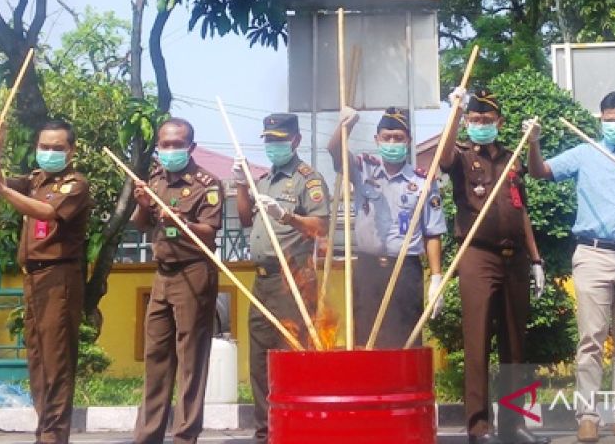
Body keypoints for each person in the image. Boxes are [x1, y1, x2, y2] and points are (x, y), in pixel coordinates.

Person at [525, 91, 615, 442]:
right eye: (607, 118)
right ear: (600, 119)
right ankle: (588, 417)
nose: (612, 124)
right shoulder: (585, 152)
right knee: (591, 339)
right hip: (593, 254)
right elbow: (540, 172)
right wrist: (533, 143)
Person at [439, 89, 550, 444]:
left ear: (499, 123)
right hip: (477, 254)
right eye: (475, 120)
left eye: (487, 121)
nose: (480, 126)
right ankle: (478, 426)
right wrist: (455, 112)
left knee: (515, 342)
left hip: (514, 256)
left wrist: (536, 259)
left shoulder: (511, 158)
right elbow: (441, 160)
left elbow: (522, 210)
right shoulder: (462, 156)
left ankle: (515, 426)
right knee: (477, 339)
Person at [0, 120, 92, 444]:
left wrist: (2, 190)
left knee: (56, 362)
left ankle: (54, 437)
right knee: (38, 360)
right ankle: (45, 433)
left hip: (59, 277)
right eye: (44, 147)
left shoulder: (74, 184)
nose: (49, 153)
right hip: (34, 277)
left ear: (71, 150)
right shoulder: (36, 179)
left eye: (57, 148)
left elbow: (45, 212)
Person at [232, 112, 329, 444]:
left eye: (279, 140)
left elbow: (321, 228)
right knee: (260, 362)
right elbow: (246, 220)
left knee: (293, 357)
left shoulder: (308, 179)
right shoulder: (263, 179)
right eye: (268, 140)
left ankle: (298, 428)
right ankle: (265, 431)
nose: (273, 146)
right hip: (262, 281)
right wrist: (241, 186)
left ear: (296, 141)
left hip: (294, 280)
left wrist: (285, 215)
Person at [131, 118, 224, 444]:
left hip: (193, 272)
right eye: (165, 144)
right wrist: (143, 205)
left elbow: (209, 233)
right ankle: (148, 435)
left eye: (177, 144)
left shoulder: (207, 184)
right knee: (155, 356)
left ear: (191, 147)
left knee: (190, 360)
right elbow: (141, 225)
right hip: (162, 273)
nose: (170, 150)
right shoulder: (154, 179)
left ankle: (185, 436)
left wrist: (182, 221)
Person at [327, 106, 446, 347]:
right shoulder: (363, 168)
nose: (392, 142)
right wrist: (345, 126)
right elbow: (335, 151)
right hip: (368, 268)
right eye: (387, 137)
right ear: (377, 139)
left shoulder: (422, 181)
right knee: (365, 340)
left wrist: (436, 278)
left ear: (409, 141)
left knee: (405, 342)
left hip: (405, 270)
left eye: (398, 138)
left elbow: (432, 233)